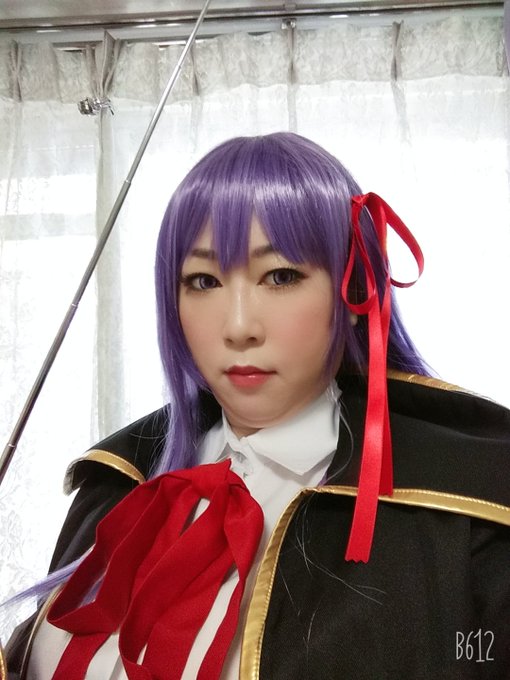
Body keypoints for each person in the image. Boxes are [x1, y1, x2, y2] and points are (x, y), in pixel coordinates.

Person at [4, 133, 510, 679]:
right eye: (203, 281)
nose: (239, 326)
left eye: (281, 276)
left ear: (355, 290)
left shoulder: (470, 514)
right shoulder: (115, 484)